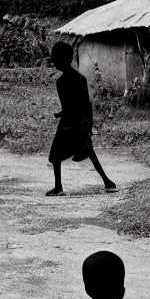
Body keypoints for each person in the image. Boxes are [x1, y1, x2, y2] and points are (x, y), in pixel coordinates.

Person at [46, 41, 116, 197]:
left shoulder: (62, 82)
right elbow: (85, 105)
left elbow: (69, 107)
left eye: (56, 60)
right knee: (88, 151)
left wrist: (62, 115)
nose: (55, 63)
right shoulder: (80, 79)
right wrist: (87, 125)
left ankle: (58, 187)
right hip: (80, 121)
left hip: (70, 123)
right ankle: (107, 182)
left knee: (56, 156)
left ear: (64, 60)